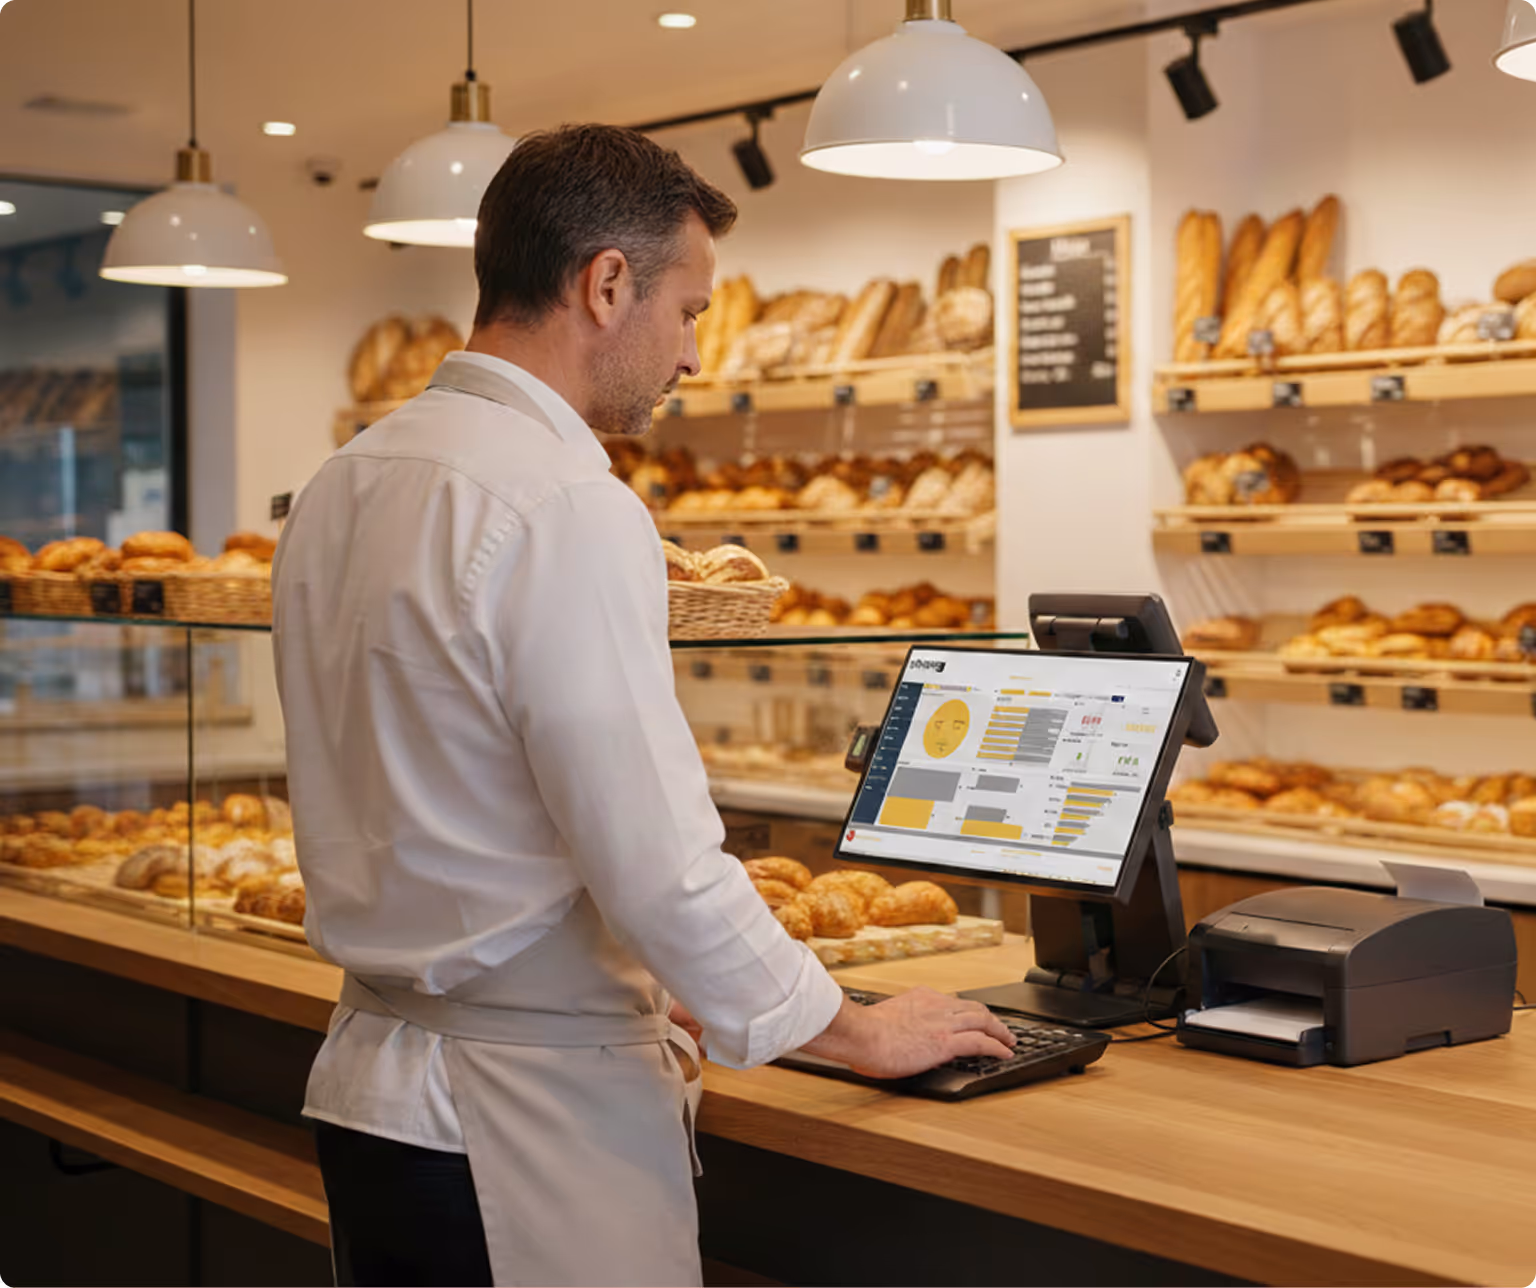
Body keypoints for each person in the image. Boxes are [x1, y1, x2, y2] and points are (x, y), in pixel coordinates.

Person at [272, 123, 1013, 1288]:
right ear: (605, 284)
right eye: (691, 312)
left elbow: (459, 792)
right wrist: (858, 1029)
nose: (692, 358)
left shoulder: (346, 481)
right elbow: (657, 857)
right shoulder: (565, 498)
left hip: (377, 1097)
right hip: (521, 1128)